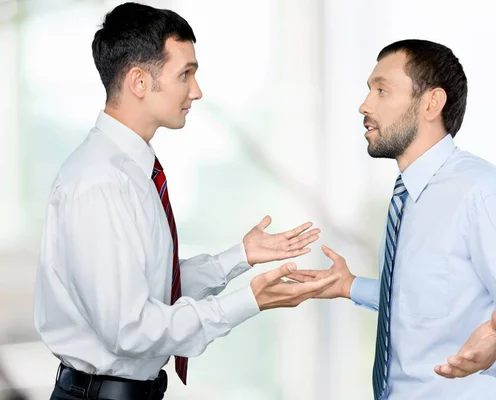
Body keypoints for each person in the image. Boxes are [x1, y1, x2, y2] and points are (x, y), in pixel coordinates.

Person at [33, 3, 340, 399]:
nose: (196, 91)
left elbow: (152, 290)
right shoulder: (99, 182)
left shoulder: (131, 170)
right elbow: (131, 328)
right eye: (185, 74)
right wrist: (249, 301)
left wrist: (238, 257)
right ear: (139, 82)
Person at [288, 39, 496, 399]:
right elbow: (431, 301)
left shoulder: (481, 191)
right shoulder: (409, 196)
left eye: (382, 90)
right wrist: (351, 286)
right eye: (368, 90)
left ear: (432, 103)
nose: (365, 105)